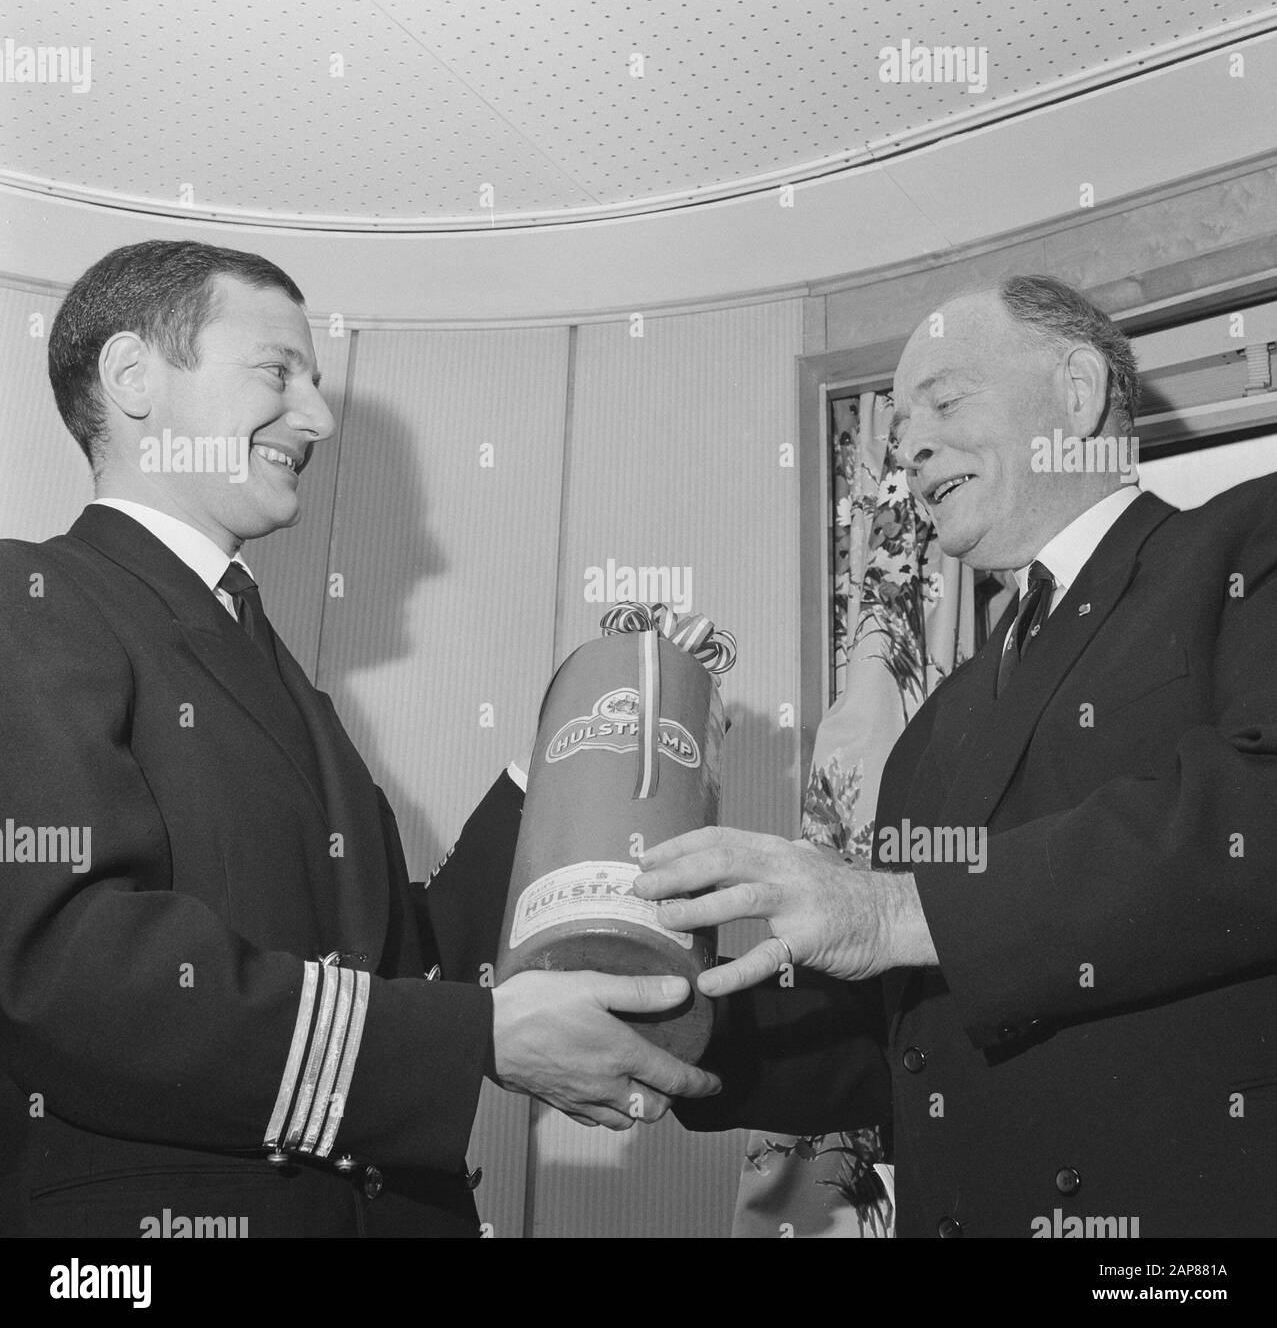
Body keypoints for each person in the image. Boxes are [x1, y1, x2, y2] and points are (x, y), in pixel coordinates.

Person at [0, 239, 718, 1238]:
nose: (317, 416)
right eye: (277, 371)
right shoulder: (28, 599)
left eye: (318, 382)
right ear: (131, 378)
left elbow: (403, 970)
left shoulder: (279, 676)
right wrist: (470, 1036)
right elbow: (66, 966)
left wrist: (567, 749)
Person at [636, 276, 1277, 1237]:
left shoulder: (1245, 542)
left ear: (1077, 389)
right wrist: (671, 1037)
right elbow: (900, 1034)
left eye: (944, 400)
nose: (910, 446)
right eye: (899, 426)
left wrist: (894, 908)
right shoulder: (933, 727)